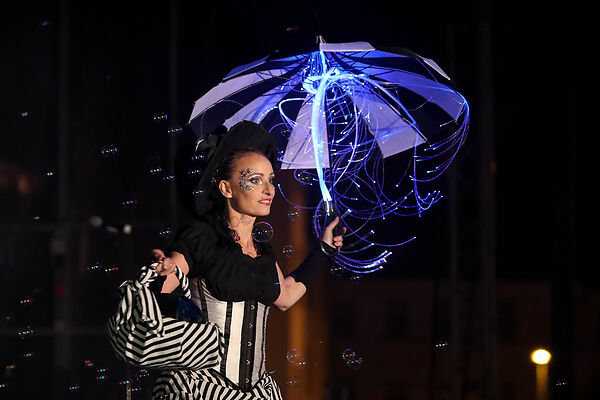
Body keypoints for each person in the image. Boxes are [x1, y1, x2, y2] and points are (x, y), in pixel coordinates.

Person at [150, 121, 344, 399]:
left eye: (271, 180)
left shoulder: (261, 251)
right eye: (255, 180)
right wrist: (163, 274)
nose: (269, 190)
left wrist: (323, 251)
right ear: (227, 188)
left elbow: (285, 297)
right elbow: (159, 296)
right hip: (200, 388)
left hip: (256, 392)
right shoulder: (202, 237)